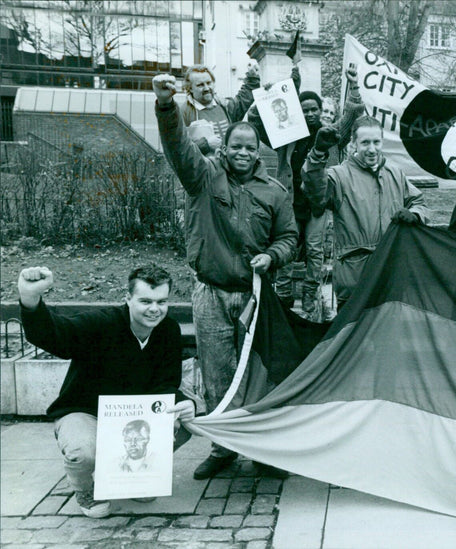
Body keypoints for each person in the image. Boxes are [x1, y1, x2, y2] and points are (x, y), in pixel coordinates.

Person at [153, 73, 298, 480]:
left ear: (258, 152)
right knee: (217, 374)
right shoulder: (202, 177)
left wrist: (274, 255)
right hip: (211, 294)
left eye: (250, 148)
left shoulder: (274, 192)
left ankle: (261, 449)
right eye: (236, 145)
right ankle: (223, 448)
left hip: (255, 296)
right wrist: (167, 107)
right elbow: (178, 148)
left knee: (256, 375)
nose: (242, 152)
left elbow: (290, 237)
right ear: (226, 146)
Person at [18, 265, 195, 518]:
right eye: (145, 301)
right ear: (128, 298)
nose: (154, 309)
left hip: (133, 416)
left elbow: (166, 383)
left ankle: (135, 478)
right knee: (83, 453)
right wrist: (30, 299)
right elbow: (55, 335)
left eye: (162, 301)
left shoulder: (168, 330)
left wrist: (184, 404)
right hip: (85, 410)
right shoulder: (101, 323)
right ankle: (86, 488)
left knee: (185, 424)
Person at [249, 66, 362, 314]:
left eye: (315, 109)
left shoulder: (330, 135)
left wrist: (354, 86)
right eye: (306, 109)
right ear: (298, 111)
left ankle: (310, 298)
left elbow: (352, 115)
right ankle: (284, 296)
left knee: (315, 250)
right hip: (289, 203)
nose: (311, 114)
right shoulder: (285, 134)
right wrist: (265, 98)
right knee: (287, 248)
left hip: (316, 205)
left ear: (322, 112)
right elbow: (256, 124)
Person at [301, 115, 430, 310]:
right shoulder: (339, 175)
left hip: (391, 274)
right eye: (365, 142)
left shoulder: (395, 173)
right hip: (355, 278)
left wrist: (415, 214)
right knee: (353, 337)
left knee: (389, 337)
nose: (372, 149)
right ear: (353, 143)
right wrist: (317, 155)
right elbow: (316, 195)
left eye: (376, 142)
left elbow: (418, 202)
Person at [180, 62, 261, 155]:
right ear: (190, 88)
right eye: (200, 85)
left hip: (229, 167)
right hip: (204, 168)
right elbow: (179, 149)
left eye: (209, 83)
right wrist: (206, 145)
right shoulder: (184, 112)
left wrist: (253, 78)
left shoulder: (224, 105)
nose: (206, 88)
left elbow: (243, 99)